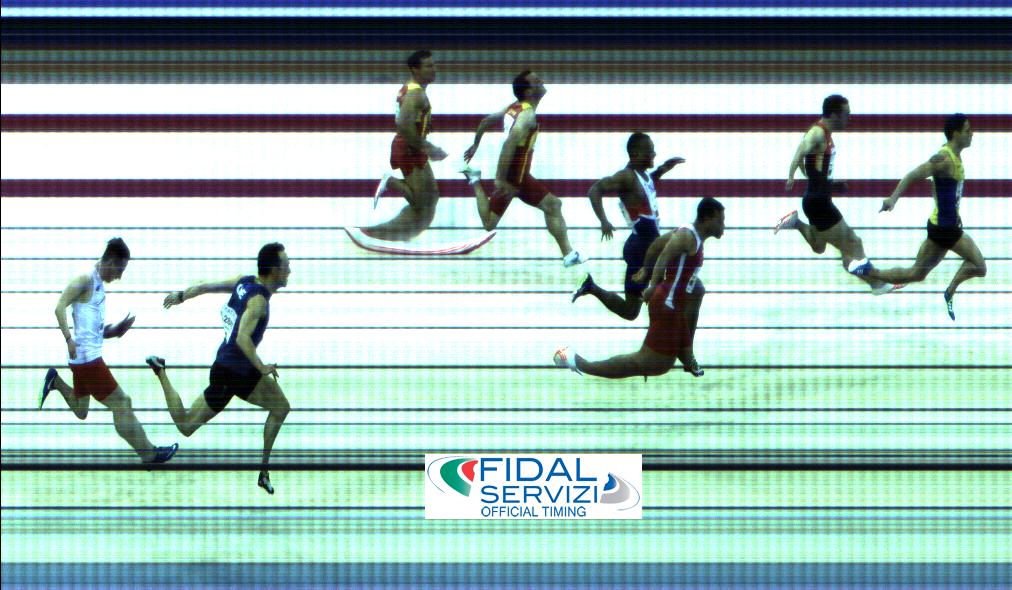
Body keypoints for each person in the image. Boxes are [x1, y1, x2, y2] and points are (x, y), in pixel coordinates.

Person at [146, 243, 292, 494]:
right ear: (274, 270)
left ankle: (264, 472)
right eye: (286, 266)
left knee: (281, 407)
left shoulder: (244, 281)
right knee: (185, 425)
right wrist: (262, 366)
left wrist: (181, 295)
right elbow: (242, 338)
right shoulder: (259, 302)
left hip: (238, 366)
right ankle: (160, 371)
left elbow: (204, 286)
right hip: (231, 373)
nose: (289, 270)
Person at [39, 237, 178, 464]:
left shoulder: (98, 286)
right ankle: (149, 454)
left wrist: (116, 330)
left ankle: (55, 381)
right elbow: (59, 307)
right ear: (111, 261)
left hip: (82, 359)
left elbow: (95, 331)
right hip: (88, 360)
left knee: (81, 410)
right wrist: (68, 339)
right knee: (122, 403)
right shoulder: (85, 279)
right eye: (120, 270)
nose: (119, 276)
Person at [554, 198, 725, 379]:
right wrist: (652, 284)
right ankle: (575, 360)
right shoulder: (687, 236)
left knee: (662, 359)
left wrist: (646, 270)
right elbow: (664, 255)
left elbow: (656, 246)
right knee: (647, 363)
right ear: (708, 219)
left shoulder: (690, 234)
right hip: (667, 305)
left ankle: (688, 360)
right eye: (721, 221)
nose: (723, 226)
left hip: (671, 304)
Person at [849, 114, 985, 320]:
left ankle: (868, 271)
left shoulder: (954, 156)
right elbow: (914, 174)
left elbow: (938, 187)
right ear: (955, 134)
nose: (972, 134)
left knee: (916, 274)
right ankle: (950, 291)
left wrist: (953, 212)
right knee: (979, 266)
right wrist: (893, 198)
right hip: (945, 229)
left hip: (941, 225)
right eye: (967, 130)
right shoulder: (944, 159)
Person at [775, 94, 898, 295]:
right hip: (819, 203)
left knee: (819, 246)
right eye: (846, 114)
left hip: (817, 198)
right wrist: (791, 177)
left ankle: (796, 222)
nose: (849, 118)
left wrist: (830, 183)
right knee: (853, 243)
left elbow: (813, 166)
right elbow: (799, 154)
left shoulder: (826, 134)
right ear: (834, 115)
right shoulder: (817, 133)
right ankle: (877, 285)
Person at [460, 70, 585, 267]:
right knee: (489, 223)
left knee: (553, 205)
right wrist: (500, 178)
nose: (541, 81)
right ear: (528, 91)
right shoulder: (527, 115)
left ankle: (569, 255)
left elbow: (485, 121)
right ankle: (475, 180)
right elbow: (509, 143)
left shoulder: (514, 107)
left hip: (521, 174)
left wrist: (475, 144)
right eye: (536, 81)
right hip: (513, 176)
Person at [571, 132, 685, 319]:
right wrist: (604, 221)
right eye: (650, 151)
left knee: (639, 307)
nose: (654, 154)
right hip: (641, 250)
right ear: (636, 154)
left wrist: (664, 168)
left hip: (647, 246)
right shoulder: (626, 176)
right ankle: (591, 287)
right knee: (640, 307)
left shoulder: (643, 175)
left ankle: (590, 287)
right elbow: (594, 190)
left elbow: (648, 184)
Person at [364, 50, 448, 241]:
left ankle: (400, 233)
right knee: (420, 202)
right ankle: (391, 182)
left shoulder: (411, 89)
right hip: (409, 148)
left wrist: (425, 127)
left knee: (432, 196)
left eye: (434, 65)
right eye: (428, 66)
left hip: (412, 147)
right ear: (415, 69)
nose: (434, 69)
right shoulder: (416, 94)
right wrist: (429, 148)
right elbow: (403, 124)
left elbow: (407, 119)